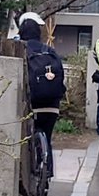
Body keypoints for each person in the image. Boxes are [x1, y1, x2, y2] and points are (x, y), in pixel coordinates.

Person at [19, 12, 65, 180]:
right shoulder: (50, 51)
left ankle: (32, 174)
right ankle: (47, 174)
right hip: (52, 105)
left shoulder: (21, 51)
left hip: (33, 104)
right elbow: (61, 79)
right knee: (47, 136)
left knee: (28, 140)